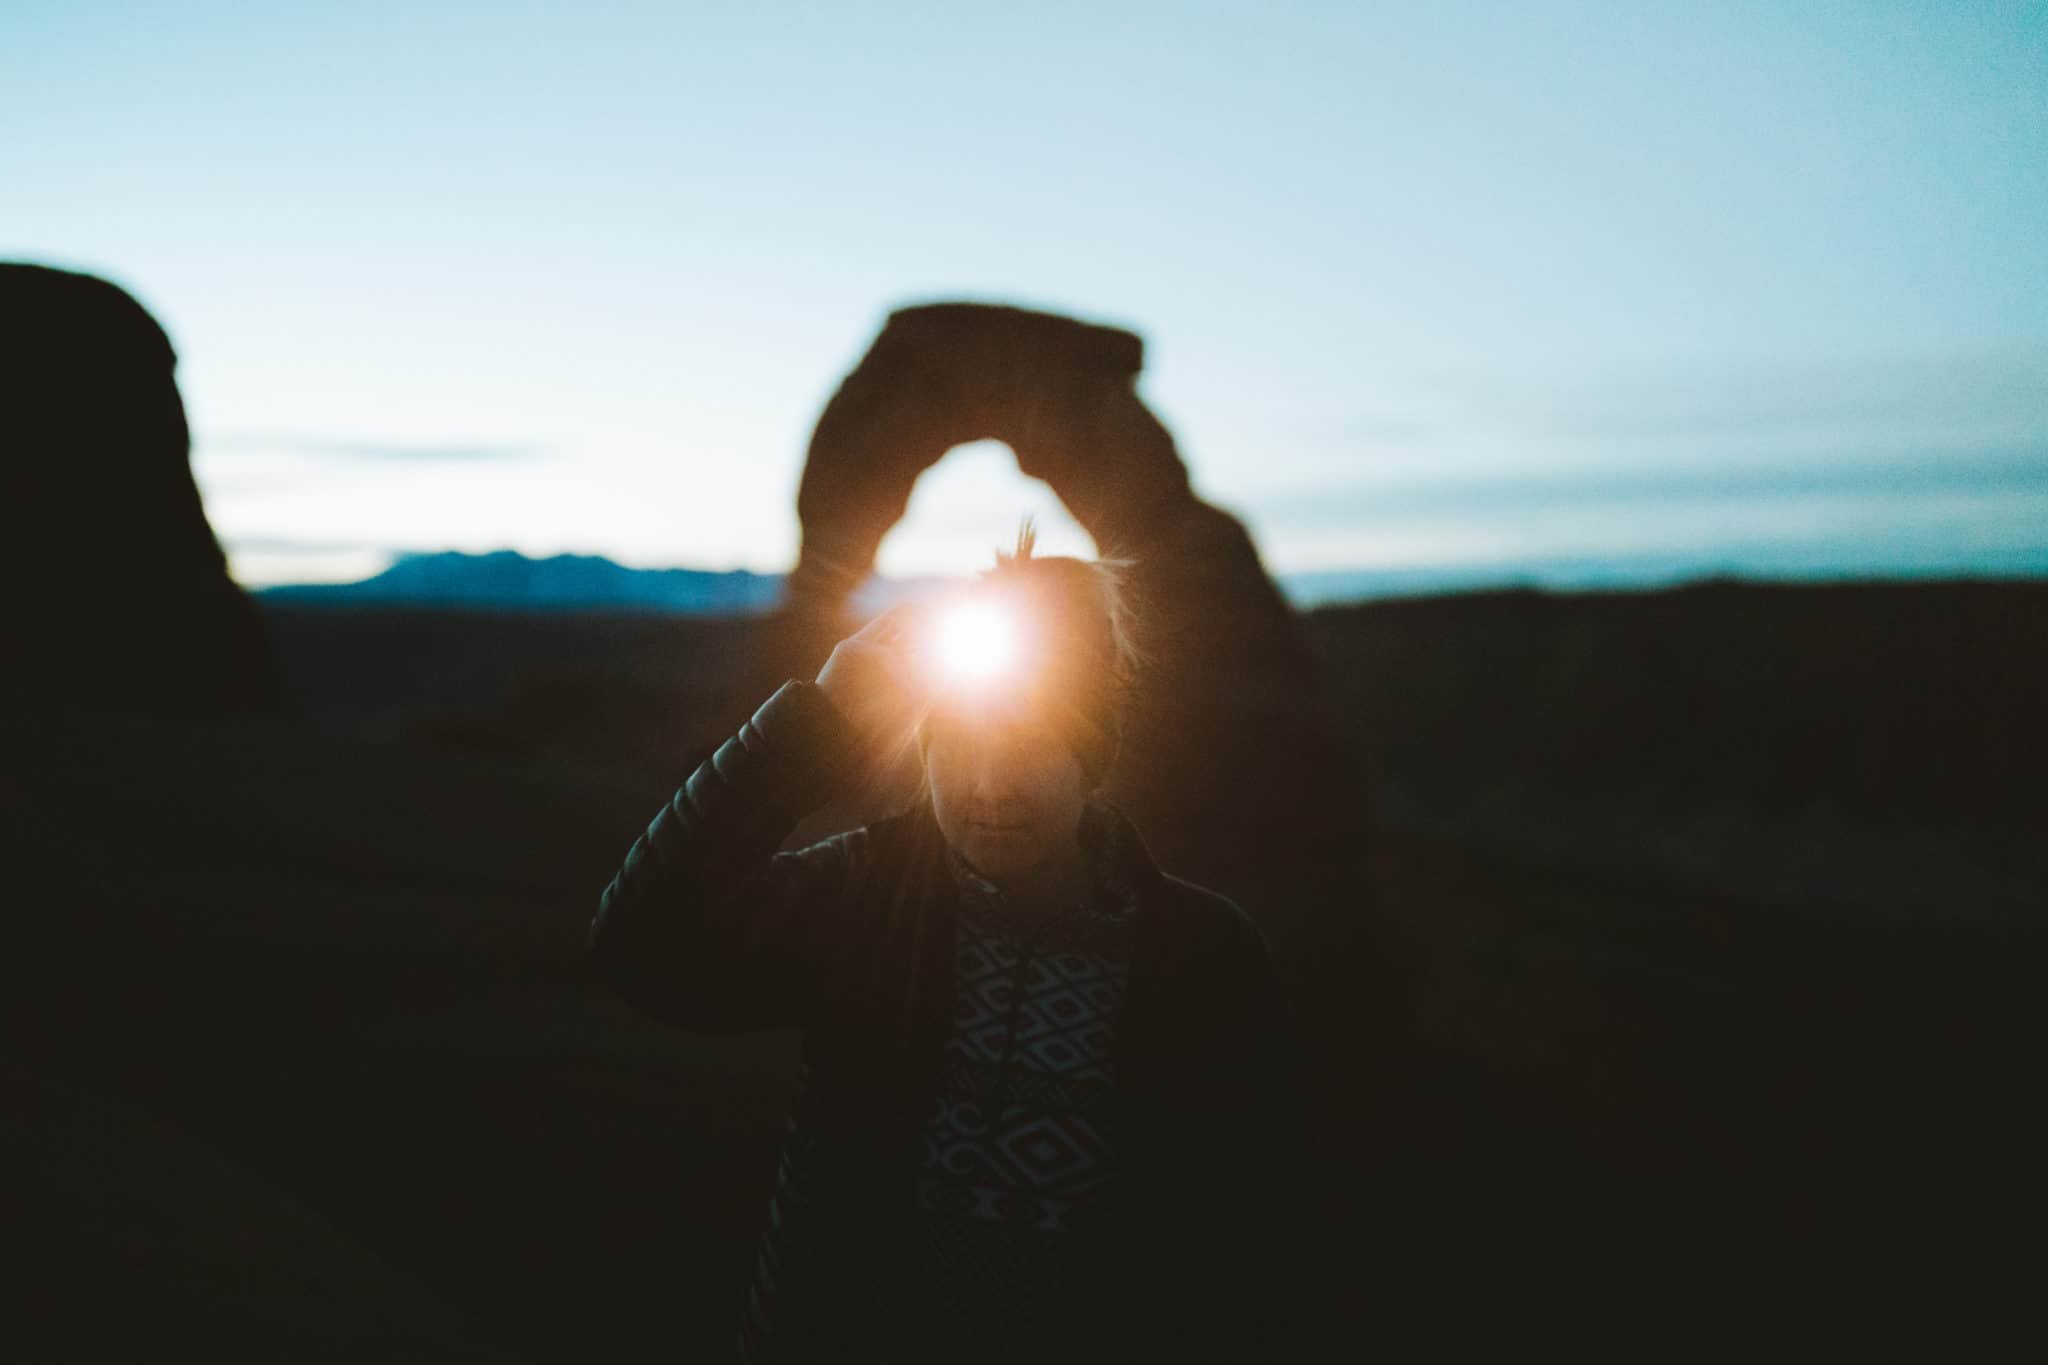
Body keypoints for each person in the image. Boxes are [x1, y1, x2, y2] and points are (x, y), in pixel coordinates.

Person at [589, 526, 1310, 1362]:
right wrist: (810, 721)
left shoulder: (1203, 956)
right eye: (961, 745)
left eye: (1032, 747)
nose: (988, 786)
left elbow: (1257, 1238)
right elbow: (638, 943)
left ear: (1092, 756)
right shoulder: (865, 898)